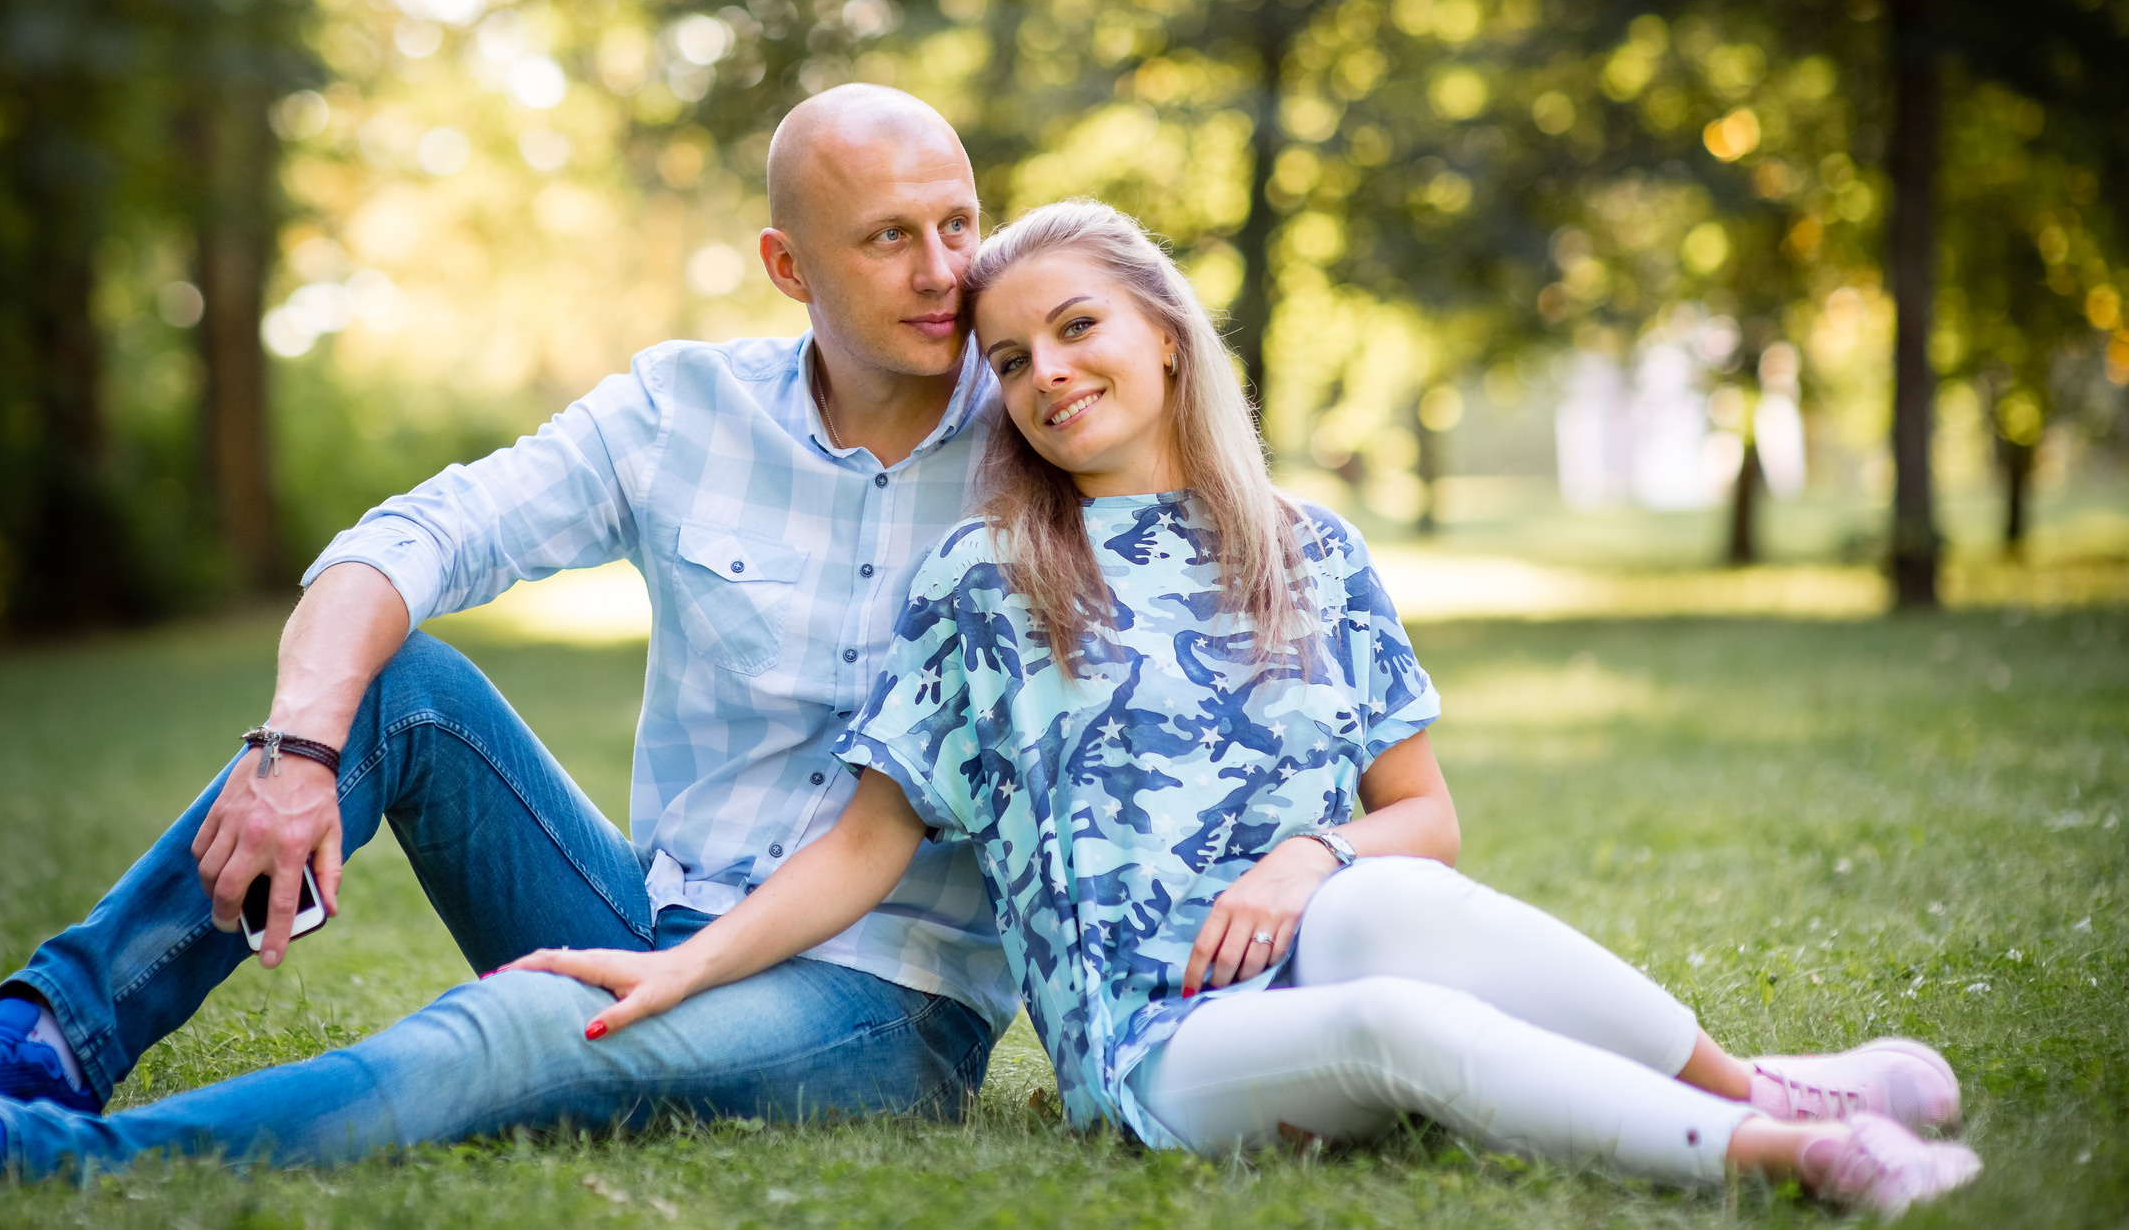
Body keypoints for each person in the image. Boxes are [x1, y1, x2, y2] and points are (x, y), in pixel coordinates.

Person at [509, 199, 1985, 1219]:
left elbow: (1426, 819)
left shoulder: (1310, 548)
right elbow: (862, 846)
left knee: (1388, 919)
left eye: (1076, 328)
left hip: (1313, 950)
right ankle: (1786, 1147)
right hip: (1158, 1049)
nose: (1045, 376)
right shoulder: (991, 577)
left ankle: (1756, 1075)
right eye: (1009, 360)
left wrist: (1311, 856)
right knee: (1401, 1013)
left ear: (1163, 331)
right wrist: (687, 968)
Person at [0, 85, 1026, 1188]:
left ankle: (23, 1160)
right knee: (398, 685)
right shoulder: (687, 408)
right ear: (788, 264)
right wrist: (295, 745)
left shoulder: (1038, 441)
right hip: (651, 917)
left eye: (959, 224)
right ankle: (38, 1048)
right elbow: (417, 534)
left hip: (880, 994)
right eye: (888, 237)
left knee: (518, 1024)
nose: (943, 272)